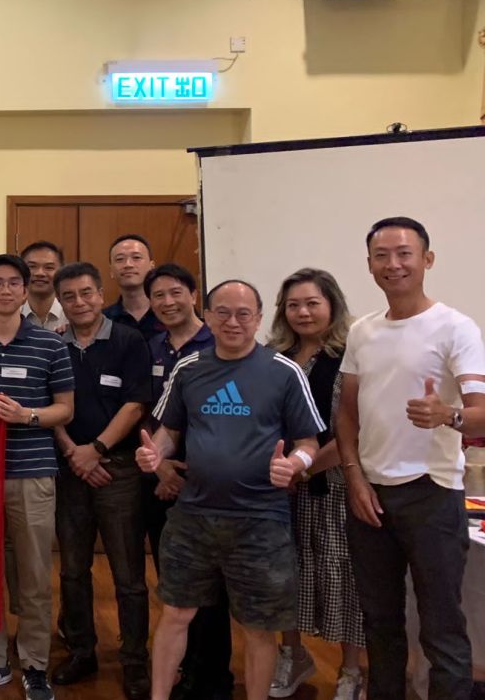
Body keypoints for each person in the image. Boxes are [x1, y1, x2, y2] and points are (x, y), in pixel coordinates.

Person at [138, 280, 323, 700]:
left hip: (261, 520)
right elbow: (169, 430)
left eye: (244, 314)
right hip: (193, 517)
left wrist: (294, 465)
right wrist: (156, 455)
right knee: (175, 613)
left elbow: (310, 442)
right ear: (207, 316)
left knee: (258, 628)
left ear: (259, 319)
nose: (233, 322)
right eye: (222, 312)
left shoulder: (284, 372)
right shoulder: (189, 369)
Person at [337, 217, 485, 700]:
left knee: (442, 627)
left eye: (404, 253)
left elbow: (481, 414)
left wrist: (450, 415)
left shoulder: (456, 327)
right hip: (369, 498)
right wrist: (356, 479)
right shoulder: (362, 331)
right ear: (370, 265)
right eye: (382, 255)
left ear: (427, 259)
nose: (393, 264)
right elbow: (347, 413)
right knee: (379, 623)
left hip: (432, 494)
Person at [0, 254, 74, 700]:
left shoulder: (50, 345)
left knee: (35, 573)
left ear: (25, 291)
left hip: (33, 473)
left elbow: (66, 408)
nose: (5, 290)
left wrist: (27, 416)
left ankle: (35, 664)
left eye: (14, 283)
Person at [48, 263, 151, 700]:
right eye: (69, 296)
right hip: (70, 469)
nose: (79, 302)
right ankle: (82, 649)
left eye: (86, 293)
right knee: (72, 570)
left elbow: (135, 403)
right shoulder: (53, 345)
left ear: (100, 292)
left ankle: (134, 662)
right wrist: (74, 452)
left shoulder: (129, 340)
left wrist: (98, 450)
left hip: (119, 469)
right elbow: (46, 402)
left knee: (128, 575)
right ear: (60, 302)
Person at [264, 269, 364, 700]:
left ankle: (351, 670)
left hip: (335, 478)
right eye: (293, 305)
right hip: (278, 484)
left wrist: (305, 469)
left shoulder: (352, 354)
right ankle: (293, 655)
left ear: (332, 306)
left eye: (312, 303)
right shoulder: (272, 357)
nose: (302, 312)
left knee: (343, 574)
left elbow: (352, 427)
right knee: (285, 573)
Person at [141, 264, 231, 700]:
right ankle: (181, 673)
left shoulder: (218, 344)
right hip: (161, 477)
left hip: (211, 484)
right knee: (176, 587)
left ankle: (212, 678)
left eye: (175, 292)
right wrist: (160, 468)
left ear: (193, 294)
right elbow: (150, 414)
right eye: (158, 296)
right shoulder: (152, 346)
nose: (167, 302)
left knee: (213, 592)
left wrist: (189, 472)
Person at [103, 235, 163, 341]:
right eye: (120, 259)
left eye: (136, 258)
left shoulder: (169, 311)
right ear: (111, 270)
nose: (128, 264)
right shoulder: (103, 321)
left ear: (151, 266)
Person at [19, 241, 67, 332]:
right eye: (32, 266)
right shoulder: (12, 316)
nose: (39, 273)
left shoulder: (70, 316)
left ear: (61, 272)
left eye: (49, 267)